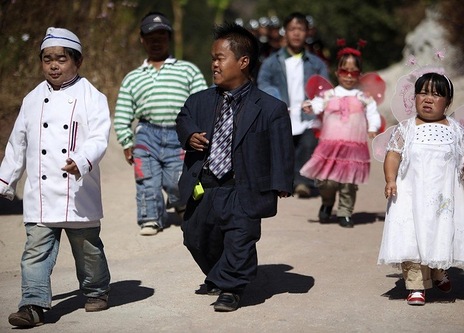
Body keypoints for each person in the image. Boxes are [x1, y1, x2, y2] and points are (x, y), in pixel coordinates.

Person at [176, 22, 294, 312]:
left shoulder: (270, 108)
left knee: (240, 239)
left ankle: (231, 287)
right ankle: (218, 274)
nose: (213, 64)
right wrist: (189, 135)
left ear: (243, 62)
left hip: (243, 187)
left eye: (220, 58)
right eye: (213, 58)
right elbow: (183, 119)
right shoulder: (199, 100)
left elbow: (281, 149)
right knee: (195, 237)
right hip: (206, 185)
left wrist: (281, 183)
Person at [0, 27, 111, 328]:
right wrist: (5, 180)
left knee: (88, 249)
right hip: (42, 194)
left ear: (78, 61)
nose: (53, 65)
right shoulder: (32, 99)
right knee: (34, 251)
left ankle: (97, 290)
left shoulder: (92, 96)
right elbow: (17, 143)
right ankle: (32, 305)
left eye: (61, 59)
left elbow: (100, 137)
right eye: (47, 59)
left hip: (78, 192)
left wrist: (82, 160)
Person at [377, 72, 464, 305]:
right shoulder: (406, 128)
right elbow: (393, 155)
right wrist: (390, 179)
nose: (428, 99)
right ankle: (416, 285)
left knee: (439, 234)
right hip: (410, 196)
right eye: (422, 93)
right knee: (411, 238)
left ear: (448, 101)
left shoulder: (455, 129)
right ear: (414, 98)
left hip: (443, 198)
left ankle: (437, 270)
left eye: (436, 94)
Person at [114, 11, 207, 236]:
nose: (156, 41)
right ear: (142, 40)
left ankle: (182, 203)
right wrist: (127, 141)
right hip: (146, 134)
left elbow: (202, 104)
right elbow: (123, 112)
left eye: (161, 36)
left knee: (177, 180)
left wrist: (199, 132)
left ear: (169, 38)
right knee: (147, 179)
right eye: (150, 37)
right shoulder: (133, 78)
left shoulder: (188, 71)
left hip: (180, 135)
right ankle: (151, 218)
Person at [300, 45, 381, 227]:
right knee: (326, 181)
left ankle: (345, 212)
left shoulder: (363, 97)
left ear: (359, 74)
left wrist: (373, 127)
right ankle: (327, 203)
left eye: (354, 72)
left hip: (354, 147)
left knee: (348, 182)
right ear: (337, 72)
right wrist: (310, 106)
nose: (349, 76)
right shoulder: (329, 94)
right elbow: (317, 104)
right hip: (329, 146)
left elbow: (373, 114)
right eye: (345, 71)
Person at [257, 12, 330, 198]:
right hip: (283, 116)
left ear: (307, 33)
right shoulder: (271, 62)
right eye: (292, 29)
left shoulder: (316, 63)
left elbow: (324, 89)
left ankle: (303, 183)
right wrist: (276, 98)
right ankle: (285, 182)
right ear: (285, 32)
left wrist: (315, 103)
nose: (296, 33)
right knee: (284, 150)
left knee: (307, 145)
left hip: (308, 118)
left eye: (300, 29)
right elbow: (263, 83)